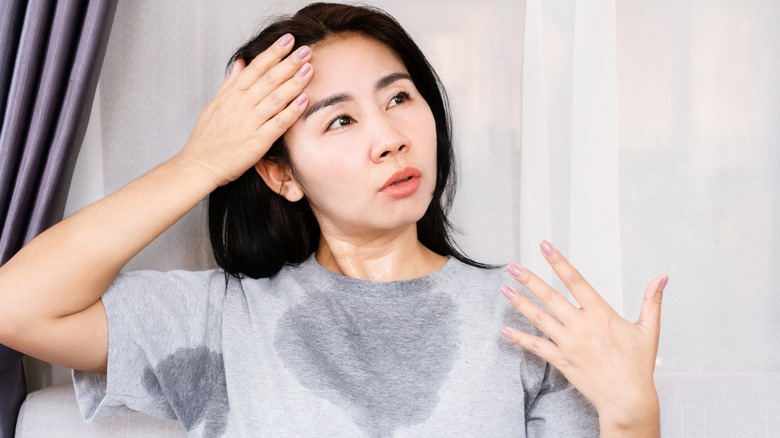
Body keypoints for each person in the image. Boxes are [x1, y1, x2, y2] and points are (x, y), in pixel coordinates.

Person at [0, 3, 667, 437]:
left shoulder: (531, 322)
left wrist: (634, 415)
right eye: (342, 119)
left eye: (400, 97)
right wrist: (198, 163)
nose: (390, 137)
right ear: (280, 173)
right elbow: (17, 305)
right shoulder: (225, 317)